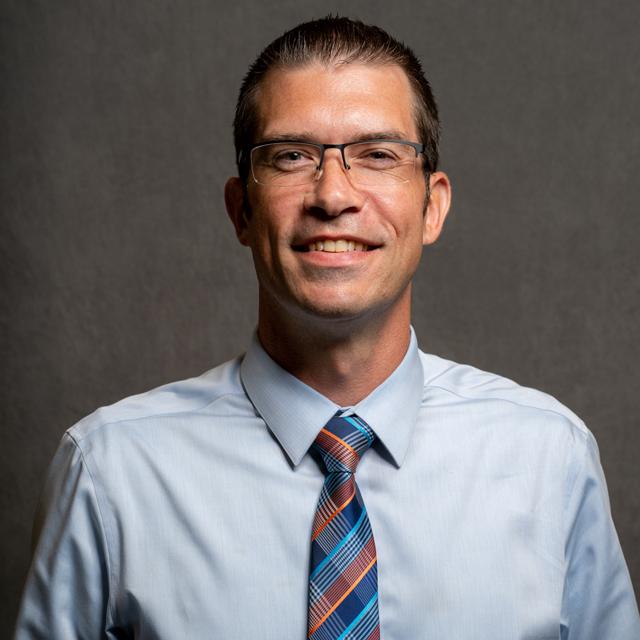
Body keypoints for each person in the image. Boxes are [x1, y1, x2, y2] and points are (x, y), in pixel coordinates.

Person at [14, 16, 640, 640]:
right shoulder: (111, 473)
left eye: (377, 155)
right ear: (241, 209)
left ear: (433, 206)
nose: (333, 195)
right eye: (292, 156)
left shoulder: (548, 458)